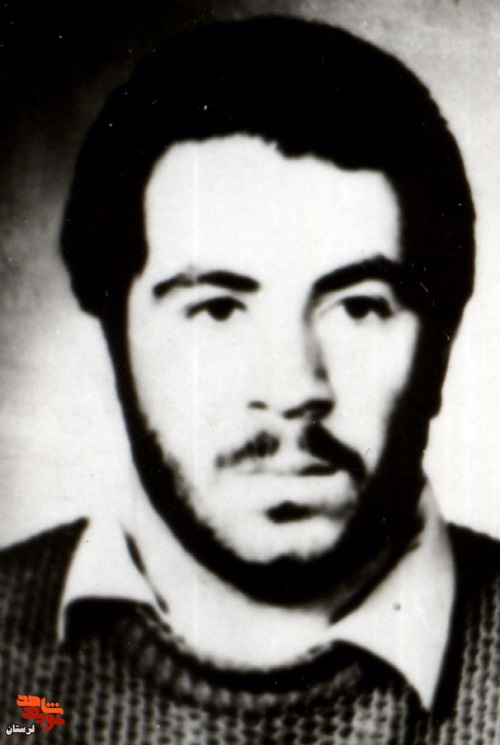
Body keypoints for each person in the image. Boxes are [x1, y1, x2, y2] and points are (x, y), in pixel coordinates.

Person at [0, 15, 498, 745]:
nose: (294, 388)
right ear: (115, 329)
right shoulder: (13, 690)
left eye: (359, 307)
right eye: (218, 308)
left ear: (442, 340)